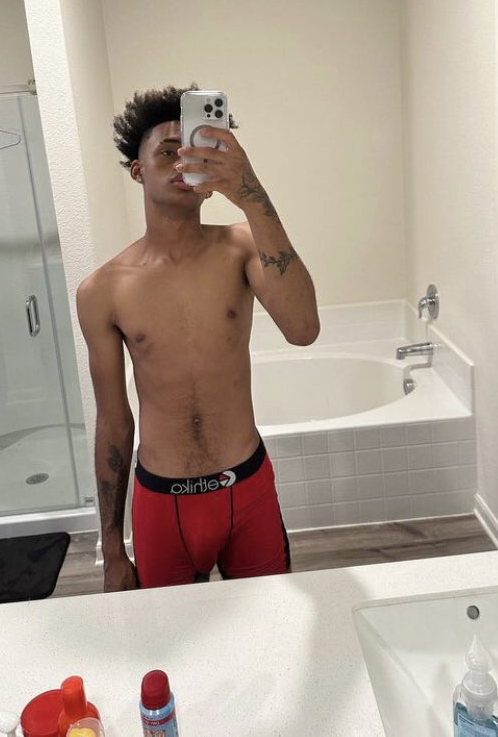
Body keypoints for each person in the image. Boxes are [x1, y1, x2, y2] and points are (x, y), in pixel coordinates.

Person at [77, 85, 320, 591]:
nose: (182, 162)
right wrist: (112, 548)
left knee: (271, 624)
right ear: (138, 171)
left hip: (246, 490)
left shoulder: (241, 247)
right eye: (168, 152)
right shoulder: (102, 291)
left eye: (196, 152)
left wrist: (249, 191)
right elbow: (114, 419)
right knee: (171, 637)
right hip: (161, 504)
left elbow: (303, 329)